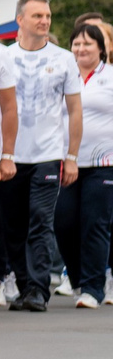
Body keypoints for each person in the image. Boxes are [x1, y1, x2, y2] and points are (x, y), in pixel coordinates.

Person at [0, 0, 81, 313]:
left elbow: (75, 110)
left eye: (47, 15)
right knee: (13, 225)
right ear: (20, 20)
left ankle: (39, 289)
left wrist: (70, 157)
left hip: (48, 154)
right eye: (37, 16)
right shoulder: (4, 57)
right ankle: (23, 284)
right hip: (11, 155)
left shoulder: (63, 58)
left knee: (41, 220)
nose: (44, 20)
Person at [56, 18, 113, 307]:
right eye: (76, 43)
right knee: (63, 221)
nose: (80, 48)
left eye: (88, 43)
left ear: (101, 50)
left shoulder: (111, 77)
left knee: (95, 223)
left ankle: (94, 288)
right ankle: (79, 278)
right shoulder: (64, 76)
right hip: (67, 161)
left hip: (104, 162)